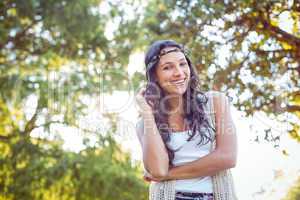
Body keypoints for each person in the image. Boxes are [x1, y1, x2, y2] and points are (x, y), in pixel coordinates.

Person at [135, 40, 237, 200]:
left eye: (182, 64)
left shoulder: (215, 102)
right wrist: (147, 114)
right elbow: (158, 170)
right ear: (154, 75)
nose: (179, 73)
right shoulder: (145, 123)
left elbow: (227, 157)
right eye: (167, 67)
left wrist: (170, 174)